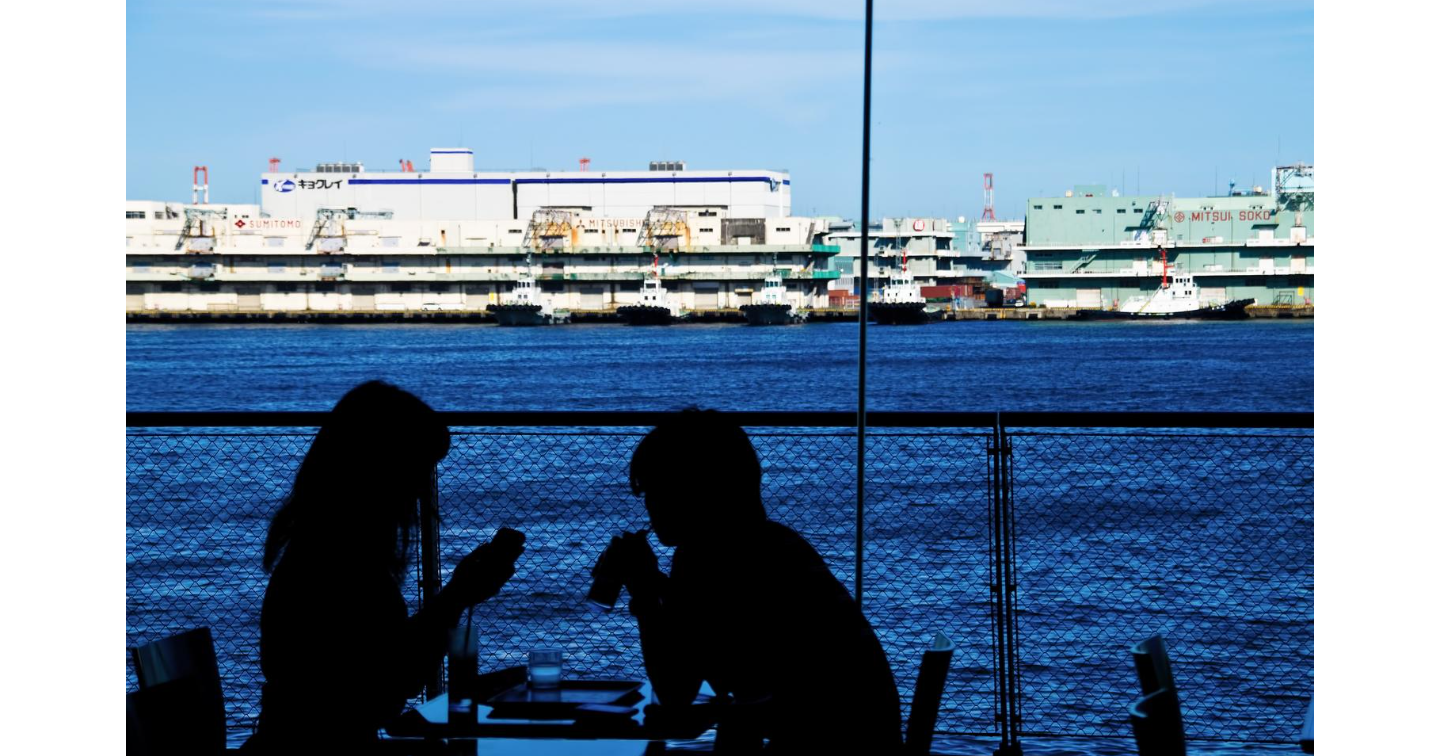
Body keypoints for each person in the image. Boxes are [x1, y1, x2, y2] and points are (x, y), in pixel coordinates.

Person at [597, 409, 901, 753]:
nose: (650, 506)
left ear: (695, 491)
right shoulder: (772, 545)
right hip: (865, 738)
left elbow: (675, 690)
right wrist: (657, 587)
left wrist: (645, 588)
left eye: (657, 491)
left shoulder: (710, 559)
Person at [244, 381, 523, 753]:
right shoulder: (341, 564)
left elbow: (379, 672)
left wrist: (457, 596)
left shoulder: (320, 549)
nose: (422, 489)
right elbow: (382, 687)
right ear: (379, 468)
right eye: (416, 469)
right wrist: (456, 597)